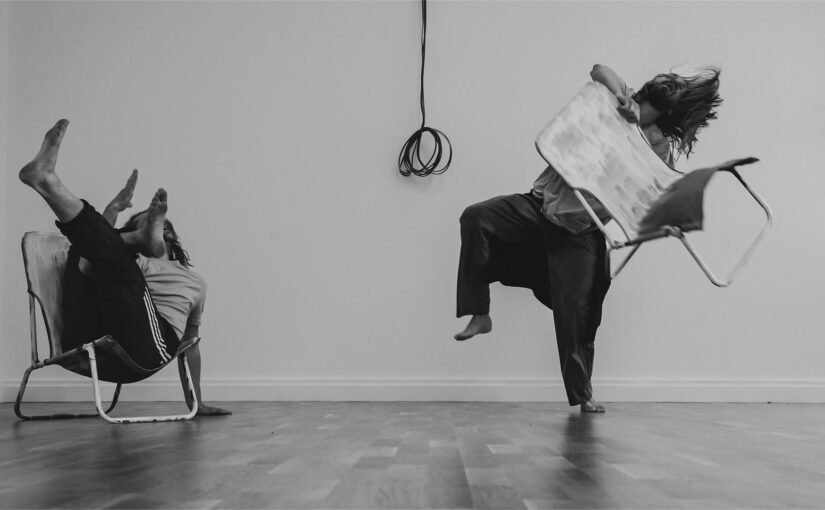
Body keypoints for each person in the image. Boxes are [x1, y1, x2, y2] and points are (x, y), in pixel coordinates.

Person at [454, 64, 723, 413]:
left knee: (577, 315)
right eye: (642, 94)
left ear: (665, 112)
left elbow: (652, 196)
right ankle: (479, 312)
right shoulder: (619, 100)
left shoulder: (656, 147)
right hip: (540, 206)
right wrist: (622, 96)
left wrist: (666, 222)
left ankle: (584, 395)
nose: (639, 105)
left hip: (579, 229)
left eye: (649, 103)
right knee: (476, 216)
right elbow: (599, 70)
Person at [19, 119, 229, 416]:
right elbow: (89, 263)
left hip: (147, 350)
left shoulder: (194, 283)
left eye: (161, 224)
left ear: (171, 237)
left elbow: (189, 345)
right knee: (94, 255)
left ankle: (48, 183)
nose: (161, 227)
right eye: (147, 223)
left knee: (113, 260)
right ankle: (44, 179)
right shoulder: (128, 261)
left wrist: (197, 402)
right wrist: (113, 212)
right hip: (92, 335)